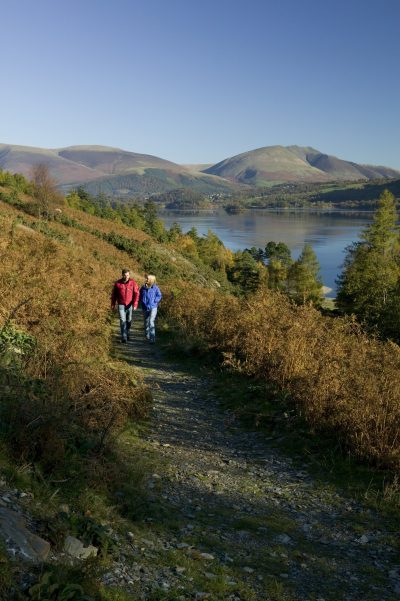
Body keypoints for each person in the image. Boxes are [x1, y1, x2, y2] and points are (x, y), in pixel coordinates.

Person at [111, 269, 139, 343]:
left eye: (127, 275)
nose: (126, 277)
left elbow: (136, 294)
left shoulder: (133, 283)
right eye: (125, 275)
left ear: (129, 275)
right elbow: (114, 295)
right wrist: (113, 304)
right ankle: (124, 337)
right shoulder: (117, 283)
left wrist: (135, 304)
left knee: (129, 320)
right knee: (122, 320)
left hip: (129, 304)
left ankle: (127, 332)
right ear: (122, 275)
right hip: (121, 304)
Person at [140, 274, 162, 343]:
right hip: (144, 307)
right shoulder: (143, 287)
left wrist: (155, 301)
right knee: (146, 322)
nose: (146, 280)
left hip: (153, 307)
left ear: (151, 280)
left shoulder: (155, 288)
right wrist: (141, 301)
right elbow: (139, 294)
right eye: (146, 278)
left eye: (147, 279)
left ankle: (152, 339)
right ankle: (147, 335)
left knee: (151, 321)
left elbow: (159, 295)